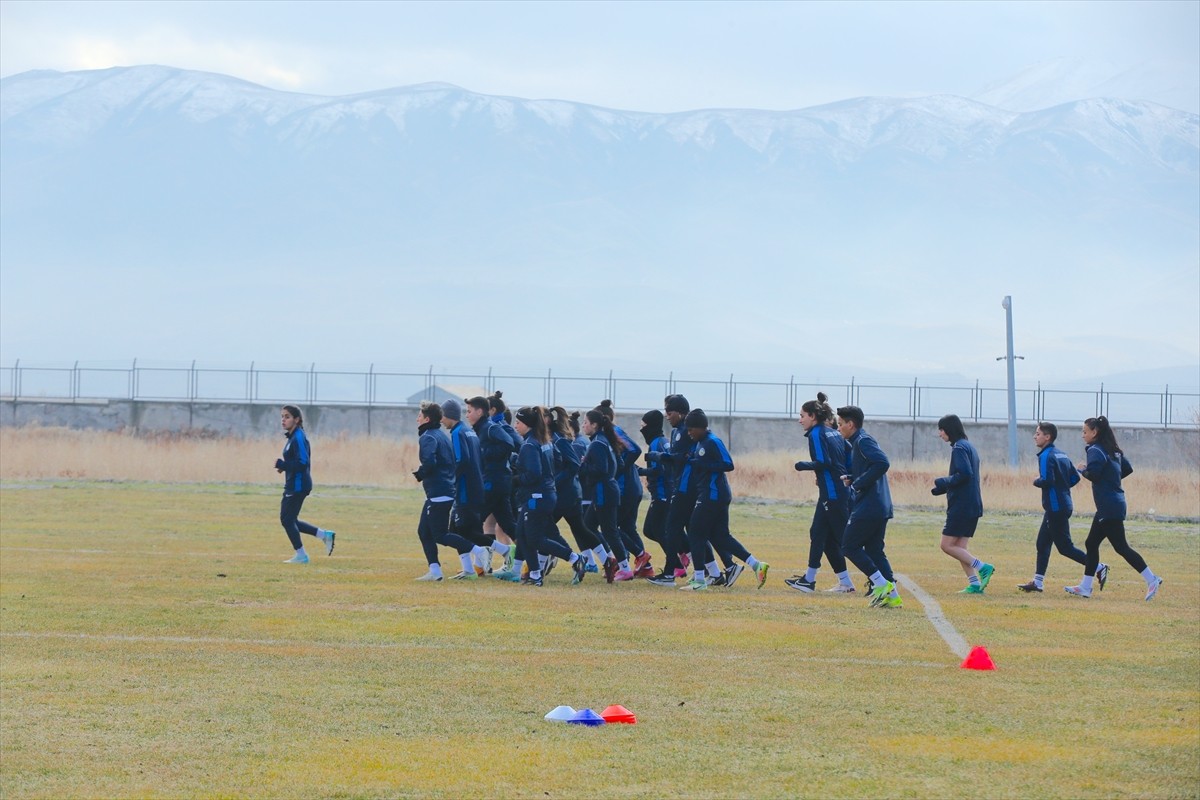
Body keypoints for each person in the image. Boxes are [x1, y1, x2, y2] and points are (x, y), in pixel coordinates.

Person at [1066, 416, 1163, 600]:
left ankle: (1152, 579)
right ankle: (1085, 587)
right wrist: (1111, 479)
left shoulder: (1094, 450)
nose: (1082, 435)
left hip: (1109, 506)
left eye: (1085, 432)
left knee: (1121, 547)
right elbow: (1126, 469)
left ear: (1094, 432)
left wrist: (1082, 469)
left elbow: (1093, 474)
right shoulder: (1113, 450)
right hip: (1114, 504)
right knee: (1091, 543)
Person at [678, 409, 769, 591]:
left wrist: (702, 464)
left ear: (700, 427)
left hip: (713, 495)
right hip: (713, 494)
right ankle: (756, 565)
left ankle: (699, 580)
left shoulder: (712, 441)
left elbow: (728, 464)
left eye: (690, 430)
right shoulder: (701, 442)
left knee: (695, 532)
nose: (688, 433)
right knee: (720, 536)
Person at [413, 402, 498, 581]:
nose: (417, 419)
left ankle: (479, 550)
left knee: (440, 535)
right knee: (424, 532)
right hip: (442, 490)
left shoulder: (428, 437)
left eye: (419, 416)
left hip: (439, 491)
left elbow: (430, 463)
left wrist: (420, 473)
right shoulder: (441, 435)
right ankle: (435, 571)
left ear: (427, 419)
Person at [510, 406, 588, 587]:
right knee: (522, 535)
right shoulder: (543, 440)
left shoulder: (530, 444)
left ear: (527, 424)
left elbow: (533, 474)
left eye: (518, 422)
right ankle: (535, 575)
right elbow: (556, 462)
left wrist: (514, 479)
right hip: (545, 494)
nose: (515, 425)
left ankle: (575, 559)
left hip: (536, 496)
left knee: (535, 538)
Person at [786, 392, 856, 593]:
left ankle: (881, 580)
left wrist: (802, 465)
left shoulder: (817, 433)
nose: (800, 420)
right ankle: (826, 581)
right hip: (834, 491)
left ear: (813, 417)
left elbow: (824, 462)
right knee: (819, 535)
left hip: (833, 494)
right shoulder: (832, 431)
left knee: (846, 541)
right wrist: (845, 473)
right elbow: (848, 450)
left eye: (802, 416)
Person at [1017, 422, 1097, 593]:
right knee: (1042, 543)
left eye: (1038, 433)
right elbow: (1075, 477)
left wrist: (1035, 480)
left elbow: (1046, 480)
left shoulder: (1045, 455)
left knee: (1065, 548)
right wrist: (1062, 487)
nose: (1034, 436)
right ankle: (1037, 582)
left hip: (1055, 507)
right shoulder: (1061, 454)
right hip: (1063, 504)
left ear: (1048, 437)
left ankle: (1097, 566)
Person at [836, 405, 901, 608]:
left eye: (840, 424)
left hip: (871, 506)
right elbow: (872, 468)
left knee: (849, 546)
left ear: (850, 424)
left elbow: (882, 463)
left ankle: (881, 585)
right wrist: (854, 478)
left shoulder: (863, 441)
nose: (839, 429)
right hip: (879, 505)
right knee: (874, 550)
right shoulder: (861, 441)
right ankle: (893, 596)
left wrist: (858, 484)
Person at [931, 414, 994, 594]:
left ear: (949, 430)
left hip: (962, 506)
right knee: (960, 548)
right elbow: (965, 478)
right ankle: (974, 584)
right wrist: (943, 489)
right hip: (972, 504)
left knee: (947, 545)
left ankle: (982, 567)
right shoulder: (969, 446)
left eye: (941, 430)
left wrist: (943, 481)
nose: (939, 434)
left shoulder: (958, 447)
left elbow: (965, 474)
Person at [594, 400, 653, 577]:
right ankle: (646, 567)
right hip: (630, 487)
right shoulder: (607, 435)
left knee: (609, 527)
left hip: (625, 488)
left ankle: (629, 560)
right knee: (627, 527)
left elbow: (634, 450)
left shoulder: (613, 431)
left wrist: (618, 469)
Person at [466, 394, 520, 572]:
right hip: (497, 482)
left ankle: (477, 565)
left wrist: (484, 452)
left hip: (495, 482)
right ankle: (532, 559)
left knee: (471, 523)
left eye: (469, 411)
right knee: (508, 525)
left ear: (480, 412)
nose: (466, 415)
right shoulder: (481, 429)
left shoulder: (490, 428)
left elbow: (510, 443)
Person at [275, 405, 335, 564]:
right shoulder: (292, 437)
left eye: (287, 416)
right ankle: (324, 535)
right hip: (294, 484)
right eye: (282, 416)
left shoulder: (299, 437)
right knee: (290, 519)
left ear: (297, 419)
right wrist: (284, 467)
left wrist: (284, 465)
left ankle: (301, 555)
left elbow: (302, 462)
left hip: (298, 485)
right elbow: (296, 461)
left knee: (287, 520)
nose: (283, 419)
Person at [579, 408, 632, 581]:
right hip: (606, 489)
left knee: (610, 531)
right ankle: (609, 560)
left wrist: (583, 465)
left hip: (604, 492)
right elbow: (618, 463)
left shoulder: (597, 443)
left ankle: (624, 567)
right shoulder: (604, 440)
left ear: (594, 425)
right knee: (587, 525)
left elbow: (601, 469)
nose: (583, 426)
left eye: (585, 422)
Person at [638, 409, 675, 581]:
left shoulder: (656, 444)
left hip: (662, 493)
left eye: (643, 425)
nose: (641, 429)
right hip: (662, 492)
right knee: (652, 530)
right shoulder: (661, 441)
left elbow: (661, 470)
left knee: (656, 529)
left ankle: (674, 563)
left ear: (651, 426)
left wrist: (640, 471)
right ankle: (678, 558)